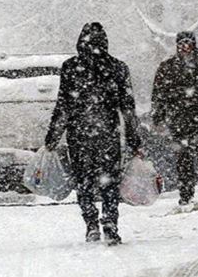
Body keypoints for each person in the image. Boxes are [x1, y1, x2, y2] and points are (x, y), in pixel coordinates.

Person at [45, 22, 140, 246]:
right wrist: (134, 139)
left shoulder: (70, 68)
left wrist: (53, 137)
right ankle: (110, 223)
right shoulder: (117, 67)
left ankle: (91, 224)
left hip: (79, 135)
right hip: (108, 134)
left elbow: (63, 106)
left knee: (84, 181)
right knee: (110, 182)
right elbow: (127, 108)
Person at [152, 31, 198, 206]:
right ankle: (186, 192)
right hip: (179, 119)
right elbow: (159, 94)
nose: (185, 47)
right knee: (183, 158)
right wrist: (158, 117)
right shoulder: (167, 67)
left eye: (188, 43)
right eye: (182, 43)